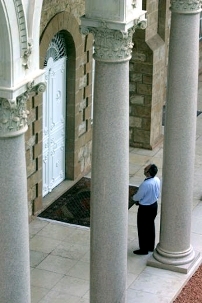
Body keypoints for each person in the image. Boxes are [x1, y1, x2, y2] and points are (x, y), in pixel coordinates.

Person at [132, 164, 160, 255]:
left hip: (145, 209)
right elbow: (158, 193)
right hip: (154, 206)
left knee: (142, 228)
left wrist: (133, 198)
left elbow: (138, 196)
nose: (144, 169)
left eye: (146, 168)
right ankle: (150, 246)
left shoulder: (145, 184)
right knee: (151, 225)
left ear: (148, 173)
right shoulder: (157, 180)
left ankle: (143, 249)